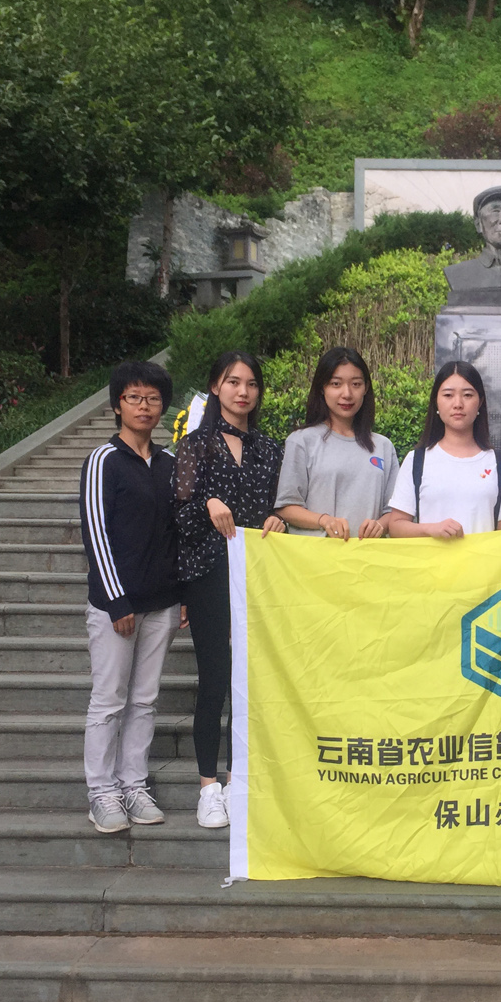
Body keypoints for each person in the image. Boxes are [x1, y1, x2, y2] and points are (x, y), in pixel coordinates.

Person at [173, 351, 285, 828]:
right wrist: (208, 504)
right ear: (216, 387)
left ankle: (240, 780)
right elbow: (179, 516)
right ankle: (208, 786)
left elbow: (281, 505)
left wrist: (280, 520)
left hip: (258, 576)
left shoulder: (270, 449)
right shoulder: (195, 445)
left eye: (251, 383)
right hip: (208, 574)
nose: (243, 391)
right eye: (233, 381)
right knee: (215, 679)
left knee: (252, 680)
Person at [78, 361, 182, 834]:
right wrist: (117, 600)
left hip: (162, 604)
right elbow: (95, 533)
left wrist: (182, 595)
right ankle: (101, 792)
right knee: (109, 700)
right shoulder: (104, 460)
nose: (144, 406)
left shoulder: (169, 464)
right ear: (118, 404)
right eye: (134, 397)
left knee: (144, 699)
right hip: (116, 607)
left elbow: (177, 534)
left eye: (153, 398)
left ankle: (133, 785)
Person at [274, 347, 400, 540]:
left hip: (368, 555)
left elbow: (395, 511)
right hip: (317, 556)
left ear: (366, 388)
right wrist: (324, 521)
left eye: (356, 384)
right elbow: (286, 507)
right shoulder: (302, 441)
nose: (347, 394)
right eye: (336, 384)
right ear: (322, 388)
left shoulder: (383, 446)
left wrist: (380, 526)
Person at [386, 362, 501, 537]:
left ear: (480, 402)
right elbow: (396, 526)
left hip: (483, 556)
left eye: (467, 395)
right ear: (436, 402)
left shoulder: (500, 463)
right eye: (448, 395)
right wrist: (430, 529)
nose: (458, 404)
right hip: (431, 556)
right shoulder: (417, 460)